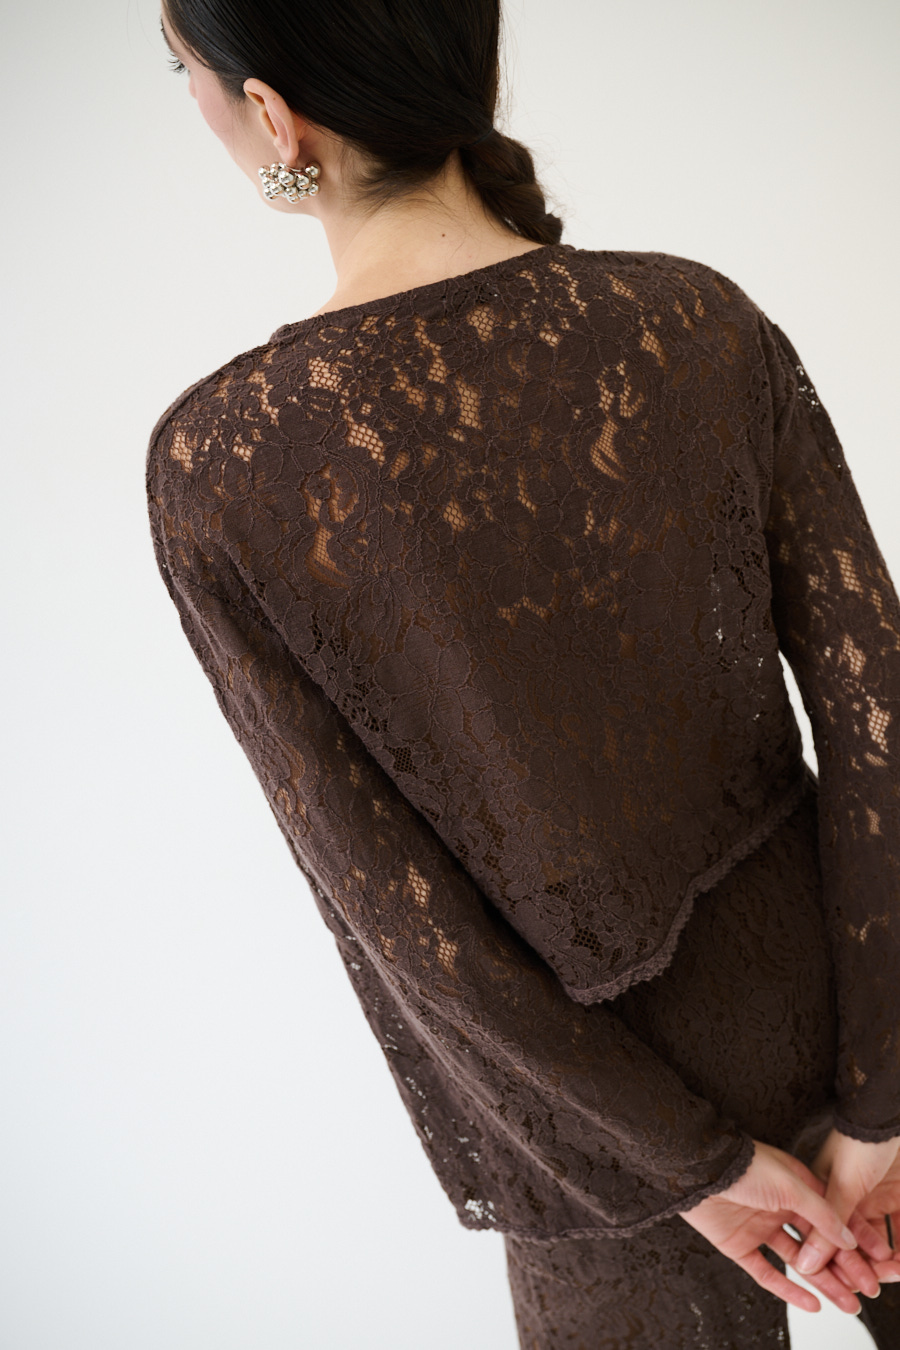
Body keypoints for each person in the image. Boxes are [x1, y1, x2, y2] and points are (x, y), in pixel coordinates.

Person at [147, 2, 900, 1344]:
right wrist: (886, 1092)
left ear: (271, 116)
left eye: (183, 73)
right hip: (841, 998)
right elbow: (878, 720)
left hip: (608, 1120)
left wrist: (685, 1162)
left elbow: (396, 911)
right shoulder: (696, 322)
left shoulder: (223, 466)